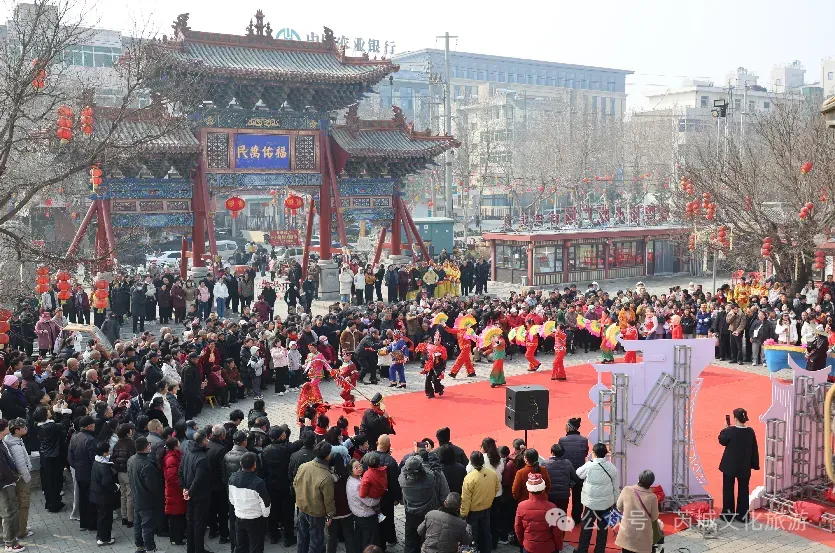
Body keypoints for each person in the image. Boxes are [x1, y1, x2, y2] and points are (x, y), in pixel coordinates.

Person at [399, 454, 449, 553]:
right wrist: (432, 457)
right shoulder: (430, 479)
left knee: (411, 543)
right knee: (430, 541)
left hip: (411, 514)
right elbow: (437, 472)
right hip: (429, 513)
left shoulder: (402, 479)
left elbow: (403, 468)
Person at [293, 441, 336, 553]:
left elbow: (295, 484)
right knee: (316, 542)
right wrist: (330, 515)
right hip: (316, 513)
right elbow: (329, 500)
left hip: (302, 508)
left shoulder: (303, 466)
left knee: (302, 538)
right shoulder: (326, 476)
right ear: (328, 456)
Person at [575, 443, 619, 553]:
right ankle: (599, 550)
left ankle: (582, 550)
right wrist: (615, 502)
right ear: (605, 454)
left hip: (590, 504)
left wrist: (589, 461)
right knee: (603, 529)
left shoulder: (589, 465)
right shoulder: (611, 467)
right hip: (606, 504)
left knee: (586, 528)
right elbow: (616, 488)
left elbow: (578, 473)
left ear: (594, 453)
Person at [718, 407, 760, 522]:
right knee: (744, 490)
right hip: (744, 466)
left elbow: (722, 440)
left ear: (735, 419)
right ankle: (743, 516)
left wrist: (725, 429)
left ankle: (728, 515)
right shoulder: (750, 431)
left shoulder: (730, 430)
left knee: (728, 490)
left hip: (729, 466)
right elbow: (754, 449)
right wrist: (754, 464)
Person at [229, 452, 271, 553]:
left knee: (241, 546)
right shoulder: (258, 483)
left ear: (240, 464)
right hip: (255, 519)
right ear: (254, 465)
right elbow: (265, 502)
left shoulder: (232, 478)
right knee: (256, 547)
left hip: (239, 516)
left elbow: (232, 499)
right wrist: (265, 515)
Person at [514, 473, 564, 553]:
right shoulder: (552, 507)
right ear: (543, 489)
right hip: (548, 547)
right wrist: (559, 546)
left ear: (528, 489)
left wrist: (523, 542)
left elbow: (518, 528)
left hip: (529, 546)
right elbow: (557, 532)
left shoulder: (521, 506)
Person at [460, 451, 499, 553]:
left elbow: (465, 498)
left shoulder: (469, 478)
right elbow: (496, 488)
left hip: (473, 511)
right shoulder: (492, 473)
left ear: (471, 462)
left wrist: (463, 513)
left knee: (472, 534)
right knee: (486, 532)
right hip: (487, 507)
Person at [614, 470, 661, 553]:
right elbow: (654, 517)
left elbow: (619, 507)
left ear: (639, 479)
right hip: (642, 536)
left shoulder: (626, 490)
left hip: (627, 534)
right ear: (651, 483)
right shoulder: (652, 497)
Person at [128, 436, 161, 553]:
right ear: (147, 447)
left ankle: (140, 546)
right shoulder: (147, 465)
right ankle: (150, 548)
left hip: (136, 497)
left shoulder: (131, 460)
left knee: (137, 524)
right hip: (147, 500)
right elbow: (153, 486)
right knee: (147, 526)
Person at [180, 430, 211, 553]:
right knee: (199, 524)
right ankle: (199, 549)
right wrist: (189, 491)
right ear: (203, 441)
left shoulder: (187, 452)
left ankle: (191, 549)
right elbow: (198, 480)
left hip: (189, 493)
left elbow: (180, 471)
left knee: (190, 522)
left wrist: (185, 489)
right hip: (199, 496)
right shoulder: (202, 458)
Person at [68, 415, 98, 532]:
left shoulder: (75, 437)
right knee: (91, 499)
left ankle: (84, 523)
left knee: (83, 498)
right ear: (89, 426)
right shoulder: (91, 440)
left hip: (79, 472)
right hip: (89, 473)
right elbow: (93, 459)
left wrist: (76, 466)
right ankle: (92, 524)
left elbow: (70, 456)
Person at [5, 419, 31, 541]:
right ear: (17, 430)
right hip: (21, 479)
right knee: (23, 504)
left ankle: (20, 527)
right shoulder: (15, 446)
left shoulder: (11, 440)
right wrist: (27, 478)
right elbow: (21, 466)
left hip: (15, 479)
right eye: (23, 427)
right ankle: (21, 531)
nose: (26, 428)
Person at [558, 417, 589, 525]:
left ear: (569, 427)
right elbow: (585, 453)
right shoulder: (584, 440)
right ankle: (576, 519)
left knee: (563, 496)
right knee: (578, 497)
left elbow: (559, 454)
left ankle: (562, 518)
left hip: (565, 472)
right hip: (579, 472)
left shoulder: (562, 440)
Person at [346, 460, 379, 552]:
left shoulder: (352, 479)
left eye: (360, 466)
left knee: (359, 537)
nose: (359, 469)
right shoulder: (357, 484)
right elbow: (370, 502)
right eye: (356, 467)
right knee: (369, 541)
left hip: (357, 513)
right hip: (365, 515)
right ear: (351, 470)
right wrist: (379, 497)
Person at [90, 441, 119, 546]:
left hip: (97, 494)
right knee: (106, 518)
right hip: (104, 496)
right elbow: (106, 482)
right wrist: (116, 487)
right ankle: (104, 538)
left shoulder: (97, 461)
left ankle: (101, 535)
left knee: (101, 517)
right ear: (104, 452)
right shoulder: (104, 466)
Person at [163, 437, 187, 546]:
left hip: (176, 491)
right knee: (175, 516)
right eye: (178, 443)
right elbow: (172, 478)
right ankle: (175, 538)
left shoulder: (175, 456)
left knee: (179, 514)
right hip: (174, 492)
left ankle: (179, 535)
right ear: (175, 446)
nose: (180, 445)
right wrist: (182, 487)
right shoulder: (171, 459)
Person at [542, 443, 577, 515]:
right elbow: (574, 476)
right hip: (563, 495)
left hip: (550, 494)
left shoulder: (544, 463)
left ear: (552, 452)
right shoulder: (568, 463)